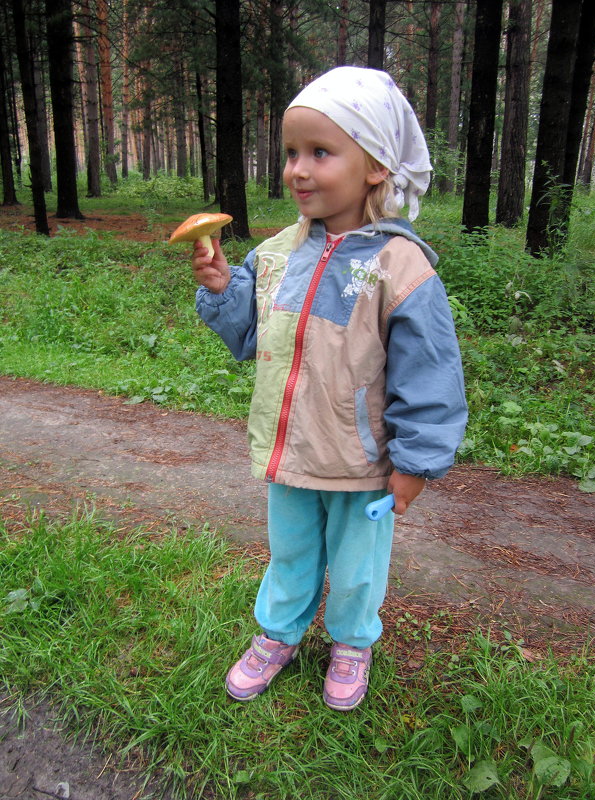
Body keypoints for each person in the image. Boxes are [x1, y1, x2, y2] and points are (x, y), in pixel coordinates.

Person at [192, 66, 467, 711]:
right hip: (290, 453)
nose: (299, 169)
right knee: (288, 553)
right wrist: (222, 289)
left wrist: (417, 462)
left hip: (360, 464)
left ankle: (352, 641)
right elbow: (252, 336)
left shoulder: (398, 265)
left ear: (375, 166)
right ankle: (278, 634)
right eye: (291, 153)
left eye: (320, 152)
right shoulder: (278, 252)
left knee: (354, 568)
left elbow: (429, 371)